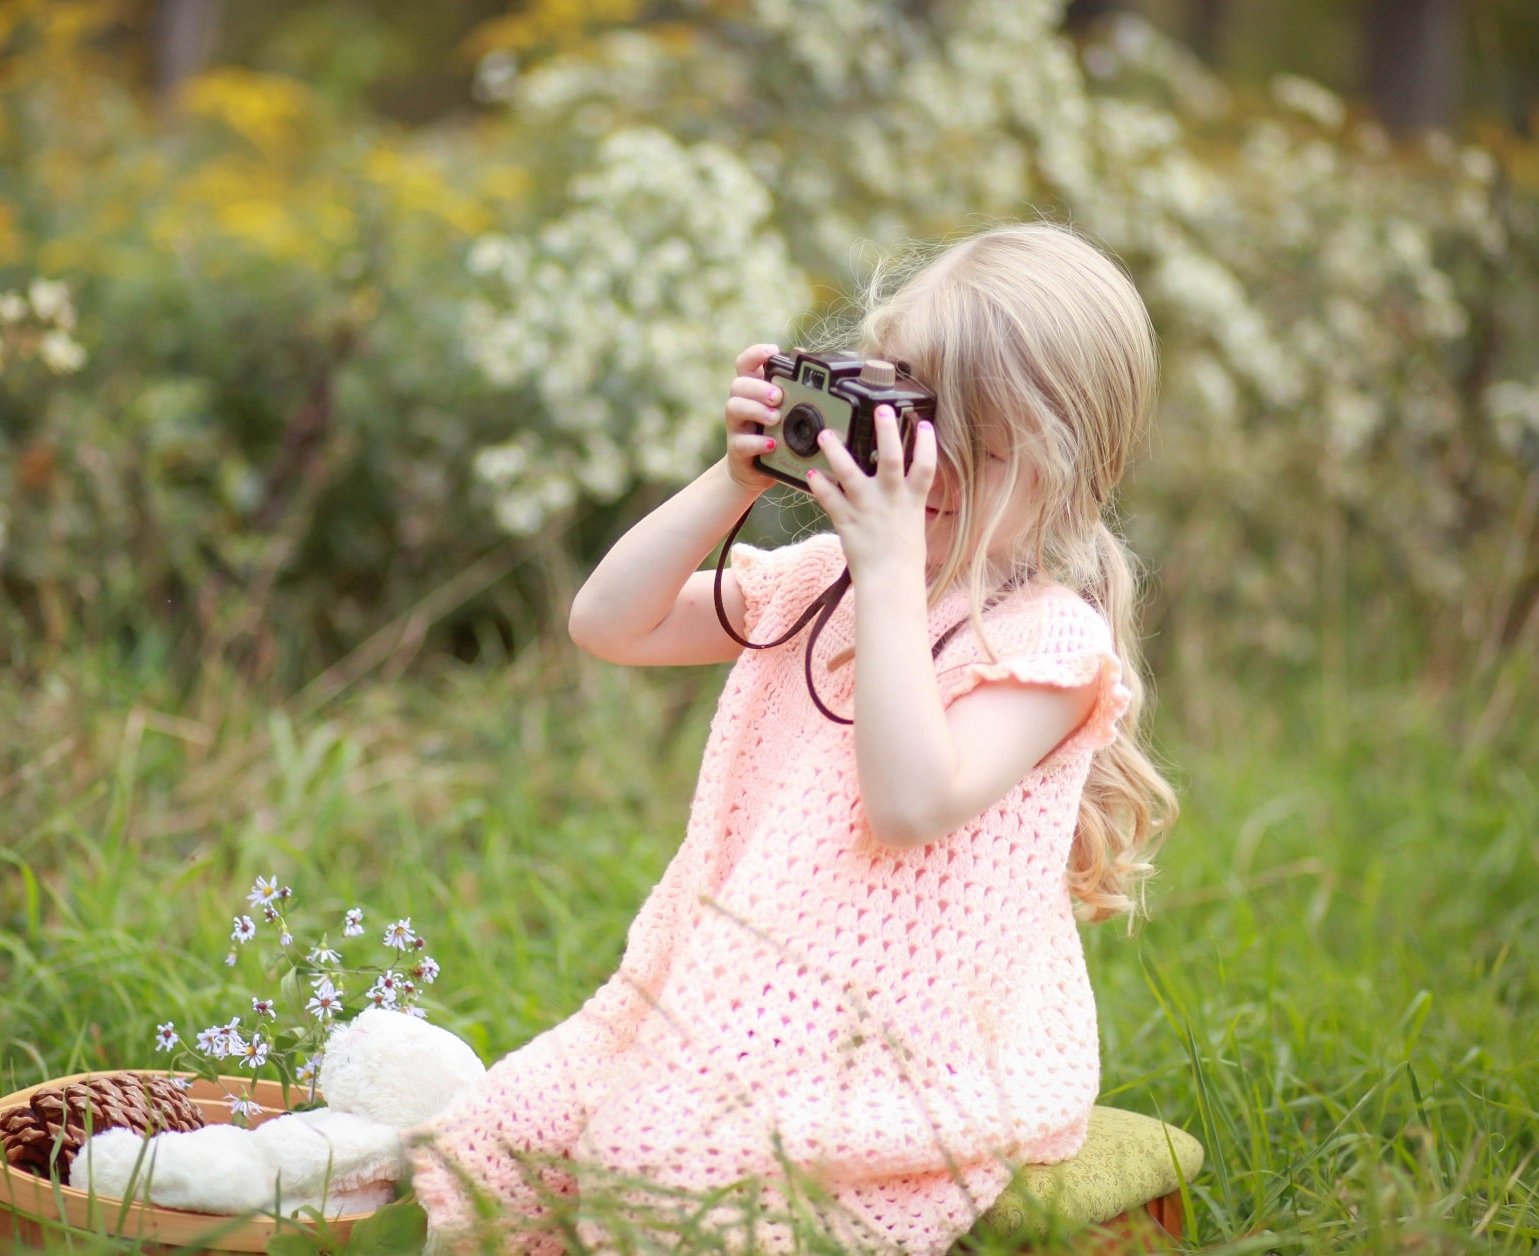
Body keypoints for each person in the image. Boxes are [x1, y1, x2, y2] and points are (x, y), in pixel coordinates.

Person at [407, 222, 1177, 1253]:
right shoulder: (824, 580)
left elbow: (910, 801)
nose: (926, 464)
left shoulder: (1049, 644)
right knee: (497, 1133)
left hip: (914, 1049)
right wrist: (736, 478)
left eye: (975, 442)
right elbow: (609, 623)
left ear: (1071, 461)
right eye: (907, 418)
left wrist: (892, 570)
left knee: (655, 1170)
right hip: (728, 1004)